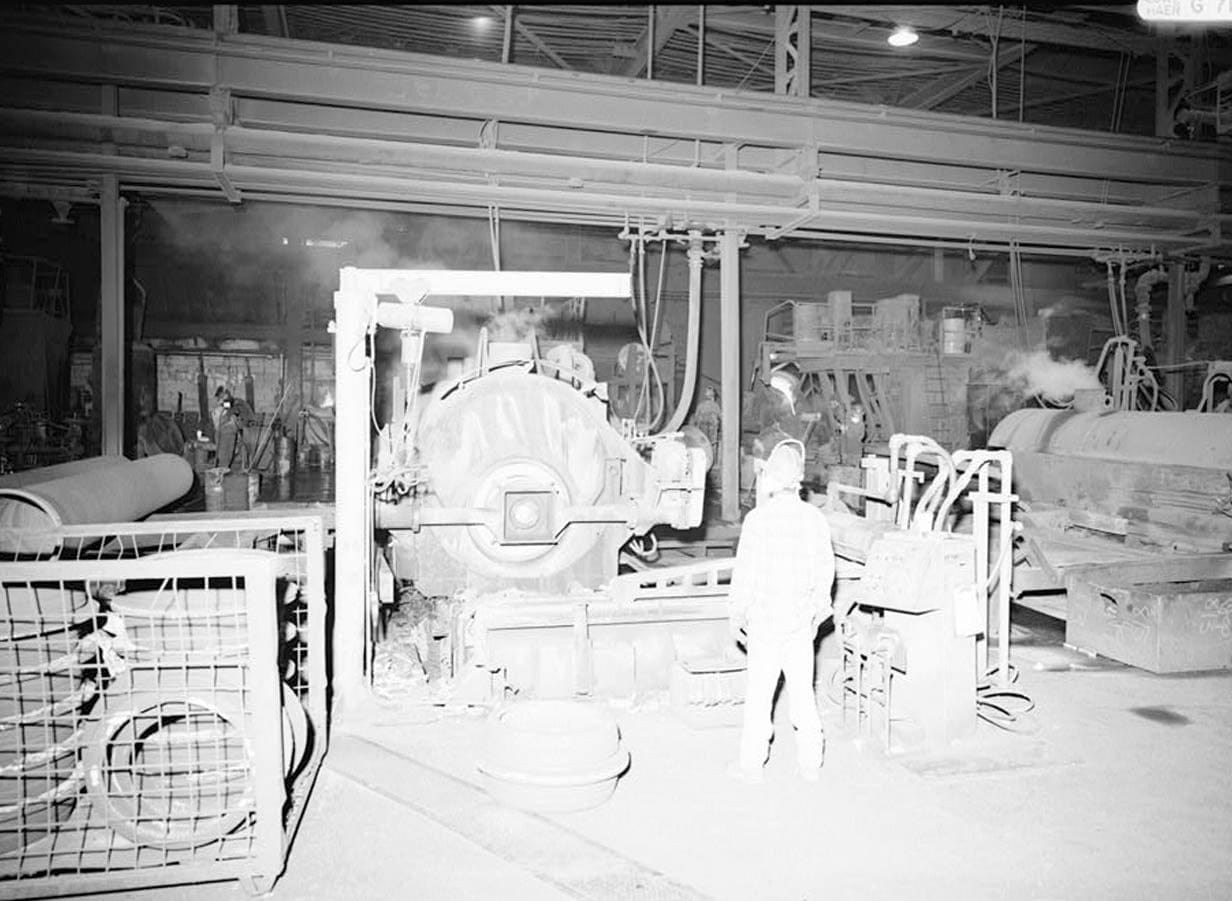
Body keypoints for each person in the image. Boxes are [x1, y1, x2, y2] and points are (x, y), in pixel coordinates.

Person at [728, 438, 835, 783]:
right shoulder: (815, 520)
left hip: (765, 624)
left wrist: (737, 615)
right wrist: (817, 613)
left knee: (759, 697)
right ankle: (810, 766)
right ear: (799, 479)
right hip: (799, 625)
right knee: (804, 697)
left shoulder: (758, 521)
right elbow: (825, 574)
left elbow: (744, 574)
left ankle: (752, 767)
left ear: (771, 478)